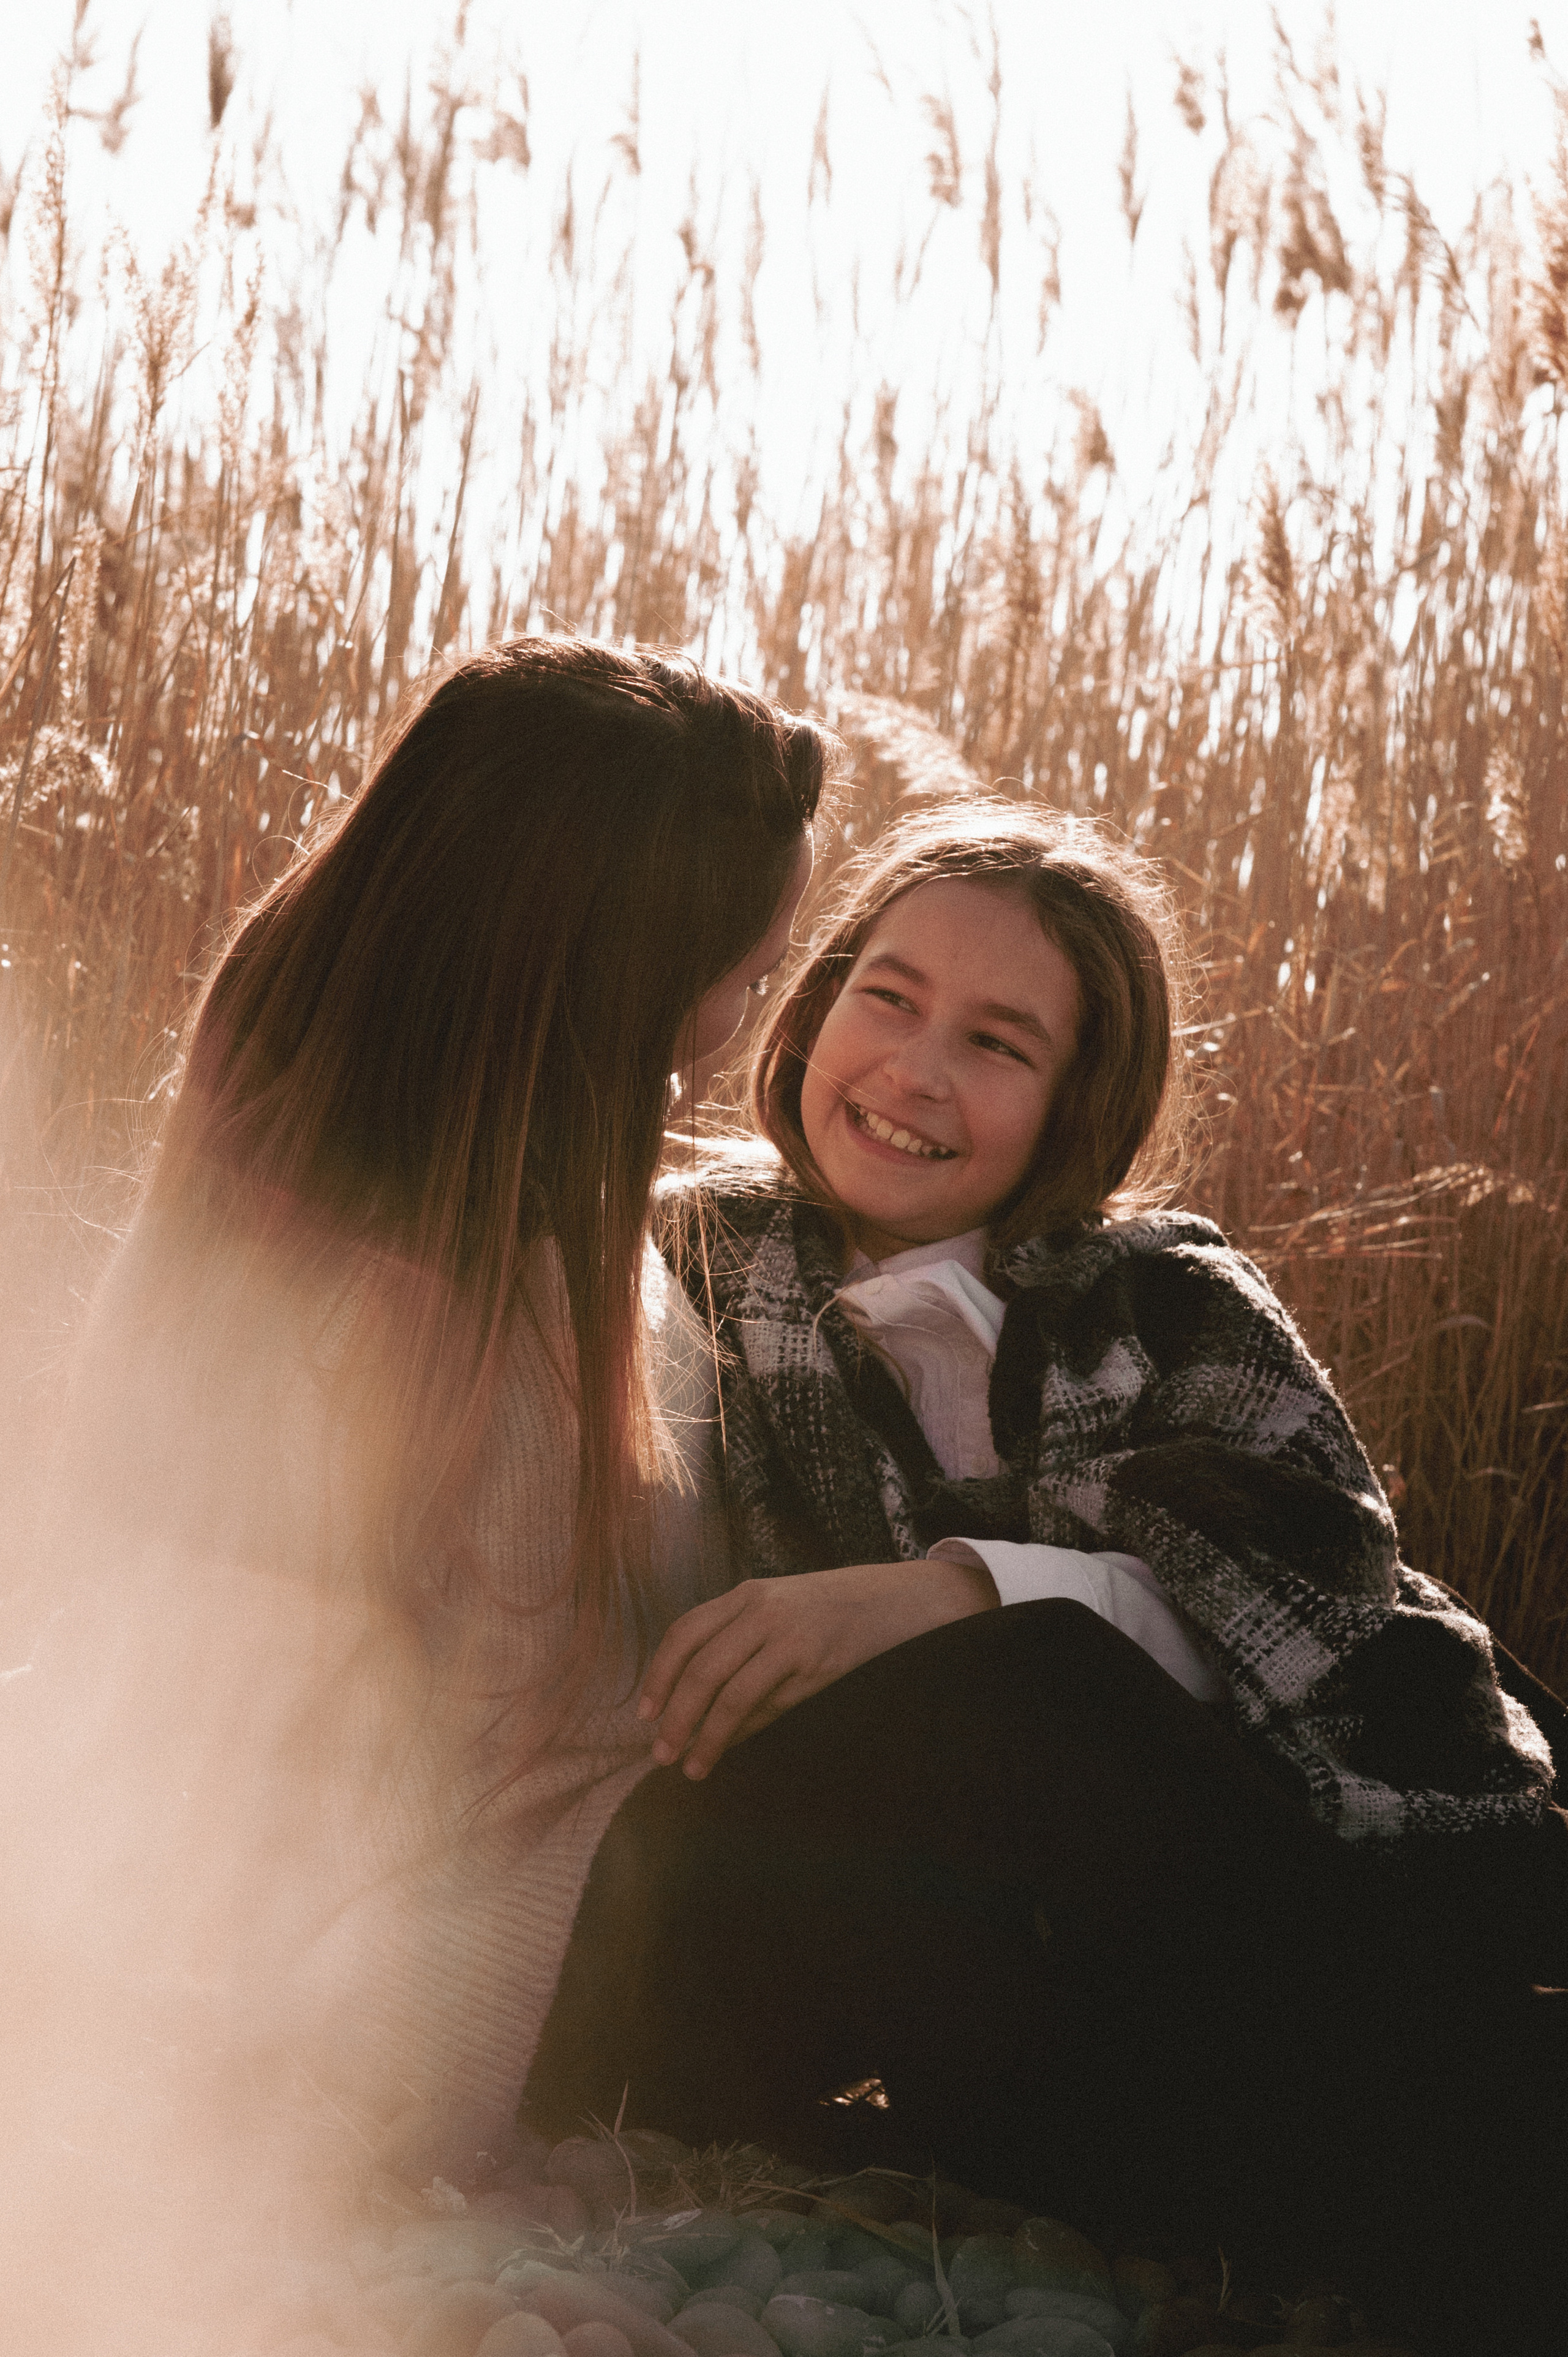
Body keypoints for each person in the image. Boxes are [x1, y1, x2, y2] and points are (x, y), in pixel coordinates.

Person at [525, 800, 1568, 2356]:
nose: (915, 1072)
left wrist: (953, 1590)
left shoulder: (1164, 1294)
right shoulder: (699, 1265)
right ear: (812, 1008)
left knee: (1030, 1682)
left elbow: (1321, 1601)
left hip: (1327, 1869)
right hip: (981, 1972)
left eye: (998, 1042)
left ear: (1078, 1101)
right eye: (885, 996)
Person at [12, 638, 826, 2268]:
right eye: (747, 963)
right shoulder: (400, 1321)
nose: (752, 1010)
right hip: (473, 2017)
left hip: (540, 1965)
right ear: (626, 974)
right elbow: (200, 1766)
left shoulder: (404, 1221)